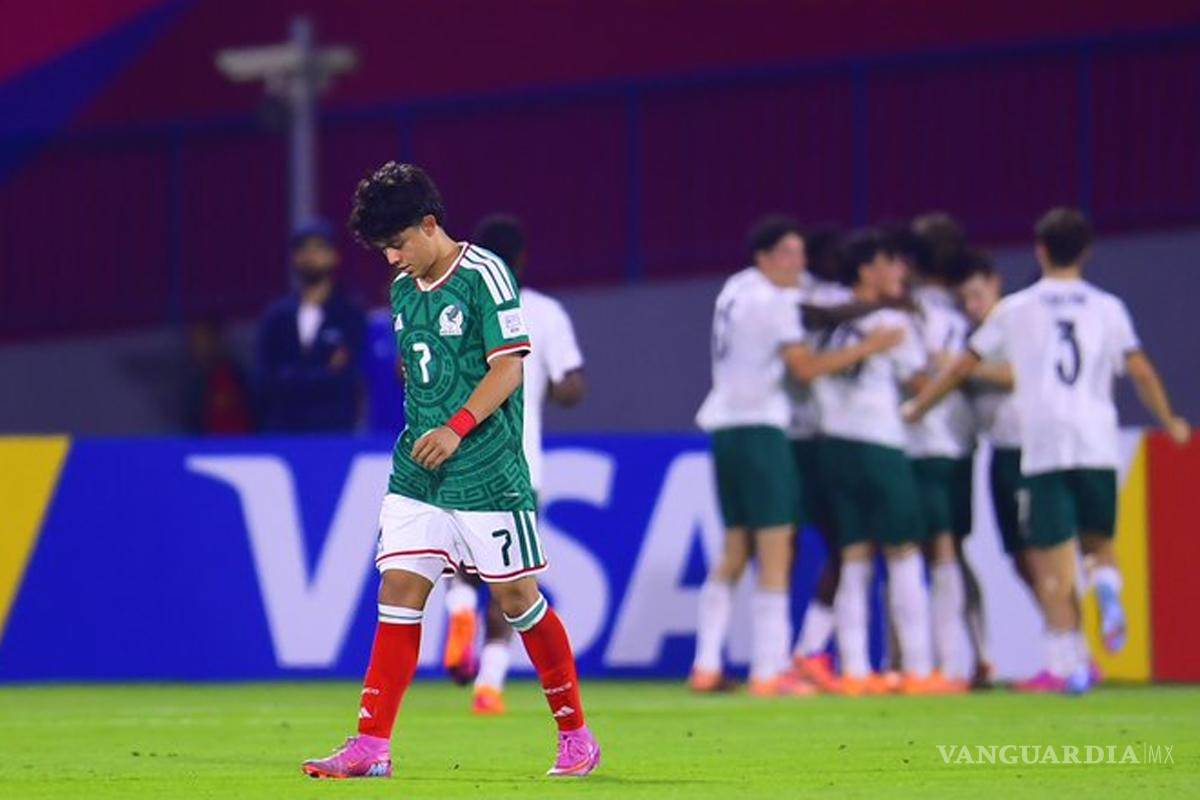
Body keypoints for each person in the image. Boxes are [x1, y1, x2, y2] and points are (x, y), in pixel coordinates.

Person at [302, 162, 600, 779]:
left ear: (430, 224)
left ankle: (576, 735)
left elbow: (509, 368)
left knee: (517, 601)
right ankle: (371, 745)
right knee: (399, 593)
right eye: (384, 250)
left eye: (398, 244)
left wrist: (455, 425)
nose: (392, 260)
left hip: (487, 469)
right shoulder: (405, 288)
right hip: (420, 472)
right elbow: (416, 366)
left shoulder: (486, 275)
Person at [905, 207, 1191, 693]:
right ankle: (1107, 587)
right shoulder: (1108, 308)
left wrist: (917, 407)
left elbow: (958, 368)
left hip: (1042, 448)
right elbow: (1140, 370)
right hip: (1097, 442)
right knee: (1100, 546)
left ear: (1039, 249)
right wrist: (1170, 420)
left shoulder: (1016, 309)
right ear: (1086, 251)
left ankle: (1069, 666)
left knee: (1052, 564)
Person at [690, 216, 902, 696]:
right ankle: (769, 671)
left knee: (735, 550)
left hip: (725, 425)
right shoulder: (774, 301)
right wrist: (872, 343)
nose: (800, 262)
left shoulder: (736, 289)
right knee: (775, 549)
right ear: (765, 257)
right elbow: (805, 368)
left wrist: (862, 307)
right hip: (762, 429)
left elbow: (815, 315)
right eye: (790, 252)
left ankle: (705, 664)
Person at [440, 213, 587, 716]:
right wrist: (543, 382)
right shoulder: (543, 312)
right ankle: (490, 683)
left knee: (457, 558)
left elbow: (409, 369)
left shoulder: (452, 301)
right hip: (519, 463)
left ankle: (460, 610)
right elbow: (572, 386)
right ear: (522, 259)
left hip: (457, 451)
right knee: (513, 579)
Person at [812, 229, 958, 696]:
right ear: (866, 270)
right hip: (878, 442)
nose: (898, 272)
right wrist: (953, 373)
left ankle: (855, 671)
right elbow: (918, 384)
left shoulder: (828, 313)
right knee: (902, 551)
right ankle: (917, 668)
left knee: (853, 554)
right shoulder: (891, 323)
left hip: (833, 443)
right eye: (888, 263)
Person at [905, 214, 977, 688]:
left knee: (924, 548)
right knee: (951, 545)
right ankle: (967, 660)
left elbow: (916, 376)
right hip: (962, 439)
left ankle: (943, 663)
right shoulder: (963, 312)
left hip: (923, 439)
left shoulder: (915, 314)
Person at [786, 226, 853, 692]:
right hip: (804, 436)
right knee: (783, 546)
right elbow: (810, 313)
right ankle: (797, 656)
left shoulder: (841, 298)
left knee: (847, 546)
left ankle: (810, 652)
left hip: (820, 435)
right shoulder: (799, 295)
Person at [957, 252, 1030, 593]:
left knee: (1038, 552)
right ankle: (1063, 632)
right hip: (999, 450)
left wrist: (963, 368)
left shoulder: (1011, 321)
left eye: (976, 295)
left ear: (995, 284)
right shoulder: (976, 334)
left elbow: (1021, 374)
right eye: (964, 300)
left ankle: (1069, 637)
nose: (971, 306)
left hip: (1024, 450)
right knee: (1018, 556)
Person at [256, 219, 367, 432]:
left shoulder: (350, 314)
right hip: (284, 431)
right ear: (294, 258)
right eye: (303, 249)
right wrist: (324, 372)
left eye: (319, 248)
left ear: (335, 256)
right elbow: (265, 378)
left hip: (334, 433)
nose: (310, 256)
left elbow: (350, 378)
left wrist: (291, 377)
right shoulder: (277, 317)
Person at [182, 319, 255, 435]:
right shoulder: (192, 383)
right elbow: (190, 422)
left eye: (209, 339)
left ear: (219, 341)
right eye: (199, 341)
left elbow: (253, 412)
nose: (204, 346)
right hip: (205, 446)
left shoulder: (237, 376)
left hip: (243, 443)